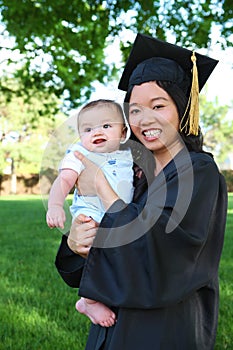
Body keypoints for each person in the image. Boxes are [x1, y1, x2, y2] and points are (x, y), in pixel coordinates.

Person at [54, 33, 227, 349]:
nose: (144, 119)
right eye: (134, 110)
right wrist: (76, 244)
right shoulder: (134, 172)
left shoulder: (198, 171)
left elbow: (163, 248)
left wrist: (102, 189)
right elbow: (105, 250)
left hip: (164, 330)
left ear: (183, 107)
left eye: (158, 105)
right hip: (112, 329)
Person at [47, 99, 134, 327]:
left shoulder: (129, 152)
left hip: (119, 213)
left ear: (123, 132)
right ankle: (89, 299)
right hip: (91, 213)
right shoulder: (79, 153)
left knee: (121, 252)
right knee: (97, 250)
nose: (97, 131)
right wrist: (55, 205)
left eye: (106, 126)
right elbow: (64, 180)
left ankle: (99, 295)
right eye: (88, 129)